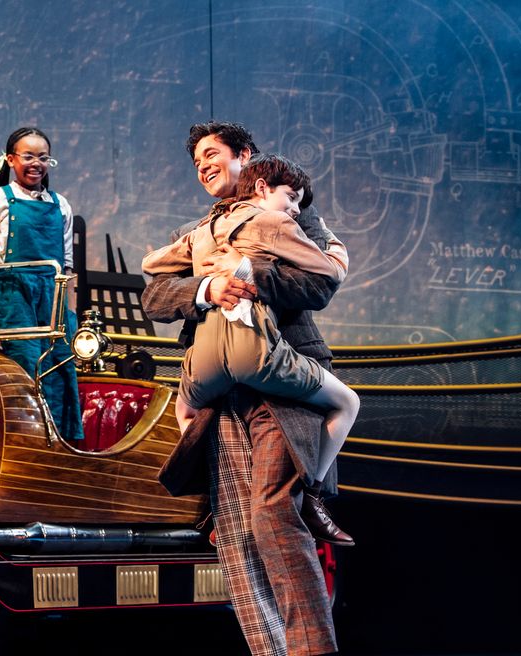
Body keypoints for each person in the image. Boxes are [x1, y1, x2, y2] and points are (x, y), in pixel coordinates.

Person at [142, 121, 344, 656]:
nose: (204, 165)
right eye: (197, 161)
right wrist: (209, 286)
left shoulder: (288, 213)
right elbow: (155, 298)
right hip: (220, 395)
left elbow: (322, 282)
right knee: (235, 537)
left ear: (245, 157)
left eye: (213, 154)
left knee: (275, 515)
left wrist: (251, 273)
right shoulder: (196, 233)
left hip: (281, 383)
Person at [142, 153, 359, 544]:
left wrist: (206, 273)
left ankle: (210, 498)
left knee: (185, 408)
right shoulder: (274, 222)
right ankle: (312, 491)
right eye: (292, 198)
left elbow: (152, 263)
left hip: (207, 357)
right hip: (253, 352)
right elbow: (329, 272)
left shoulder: (204, 229)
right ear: (262, 188)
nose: (295, 209)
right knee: (347, 403)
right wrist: (335, 245)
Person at [0, 126, 84, 442]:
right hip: (13, 298)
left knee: (58, 371)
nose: (36, 163)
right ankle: (22, 442)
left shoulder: (60, 204)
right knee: (21, 369)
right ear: (10, 159)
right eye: (28, 156)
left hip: (54, 299)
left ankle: (58, 445)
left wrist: (71, 317)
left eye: (43, 157)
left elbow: (67, 269)